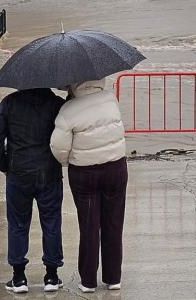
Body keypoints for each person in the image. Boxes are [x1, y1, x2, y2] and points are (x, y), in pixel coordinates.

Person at [50, 78, 128, 293]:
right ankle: (113, 278)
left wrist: (69, 162)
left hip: (84, 173)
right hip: (116, 168)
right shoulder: (111, 99)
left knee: (89, 225)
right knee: (114, 223)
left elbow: (58, 146)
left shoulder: (68, 109)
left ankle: (88, 281)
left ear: (74, 83)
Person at [0, 88, 66, 293]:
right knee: (51, 222)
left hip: (18, 173)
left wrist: (5, 166)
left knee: (18, 224)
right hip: (48, 172)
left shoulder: (9, 103)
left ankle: (19, 278)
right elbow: (64, 139)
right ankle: (51, 276)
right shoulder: (56, 104)